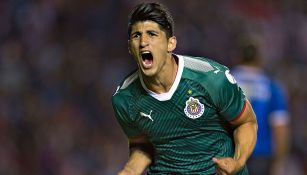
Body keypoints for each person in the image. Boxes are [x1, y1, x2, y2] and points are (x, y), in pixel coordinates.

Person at [112, 2, 258, 175]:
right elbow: (142, 145)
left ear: (170, 43)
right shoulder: (124, 99)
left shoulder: (210, 78)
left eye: (152, 34)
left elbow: (247, 122)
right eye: (137, 36)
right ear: (130, 47)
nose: (143, 42)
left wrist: (237, 162)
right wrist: (129, 171)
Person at [231, 34, 290, 175]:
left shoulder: (225, 83)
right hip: (260, 157)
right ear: (259, 58)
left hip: (230, 154)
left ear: (239, 56)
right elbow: (280, 129)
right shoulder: (272, 87)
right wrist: (279, 163)